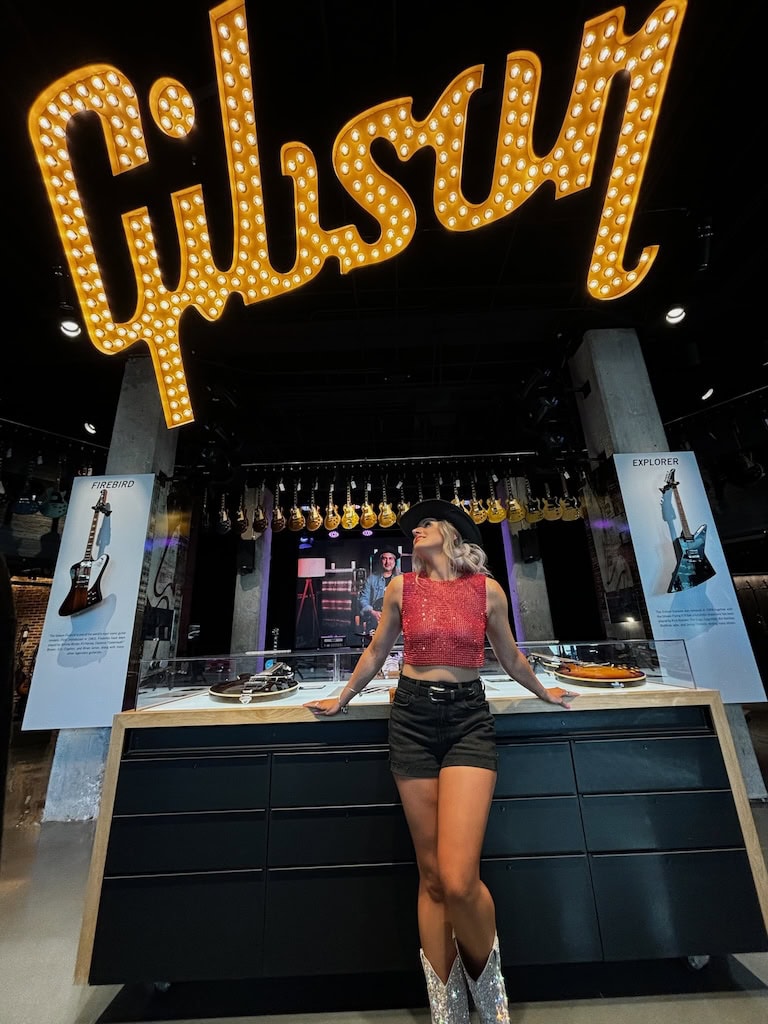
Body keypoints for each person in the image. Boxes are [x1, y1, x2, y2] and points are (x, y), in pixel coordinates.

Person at [304, 499, 577, 1024]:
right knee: (431, 878)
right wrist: (343, 698)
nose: (416, 531)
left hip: (468, 722)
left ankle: (490, 999)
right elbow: (377, 651)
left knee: (458, 880)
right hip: (409, 719)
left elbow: (511, 656)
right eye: (414, 528)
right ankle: (446, 1009)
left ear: (451, 534)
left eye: (426, 524)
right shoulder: (402, 588)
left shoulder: (487, 590)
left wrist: (545, 691)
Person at [358, 544, 401, 633]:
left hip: (397, 624)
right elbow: (363, 599)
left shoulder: (402, 579)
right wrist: (372, 612)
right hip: (376, 624)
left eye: (390, 558)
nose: (387, 562)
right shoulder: (371, 579)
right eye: (384, 558)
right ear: (380, 561)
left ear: (395, 561)